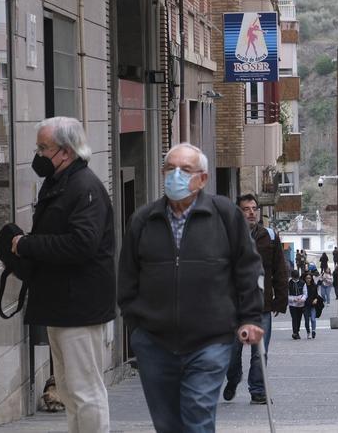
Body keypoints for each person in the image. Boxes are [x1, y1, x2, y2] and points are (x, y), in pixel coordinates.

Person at [118, 143, 263, 432]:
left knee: (197, 418)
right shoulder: (143, 220)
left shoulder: (224, 215)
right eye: (170, 169)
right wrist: (137, 329)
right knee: (168, 424)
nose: (176, 176)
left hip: (210, 341)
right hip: (155, 343)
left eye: (185, 170)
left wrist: (250, 317)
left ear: (204, 178)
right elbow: (127, 277)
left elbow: (247, 267)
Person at [10, 117, 116, 432]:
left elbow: (81, 244)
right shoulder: (62, 183)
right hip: (63, 303)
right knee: (70, 390)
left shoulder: (84, 188)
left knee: (84, 389)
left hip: (78, 305)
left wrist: (28, 245)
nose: (38, 155)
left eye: (44, 148)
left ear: (66, 152)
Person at [223, 193, 287, 405]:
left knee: (260, 352)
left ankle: (258, 390)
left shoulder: (269, 235)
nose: (251, 212)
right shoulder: (227, 235)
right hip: (233, 306)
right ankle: (233, 378)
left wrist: (281, 299)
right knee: (232, 353)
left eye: (254, 208)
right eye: (246, 209)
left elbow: (279, 269)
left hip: (262, 304)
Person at [287, 269, 307, 339]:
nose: (295, 279)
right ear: (292, 277)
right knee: (294, 318)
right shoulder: (289, 283)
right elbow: (287, 295)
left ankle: (297, 331)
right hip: (292, 304)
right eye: (294, 278)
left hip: (300, 304)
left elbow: (305, 293)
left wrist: (302, 299)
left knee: (299, 318)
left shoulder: (303, 283)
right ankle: (295, 332)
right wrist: (293, 299)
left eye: (296, 278)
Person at [303, 271, 321, 337]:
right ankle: (308, 332)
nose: (308, 279)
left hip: (313, 305)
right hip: (305, 305)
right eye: (307, 278)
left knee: (313, 319)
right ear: (305, 278)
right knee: (306, 320)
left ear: (311, 278)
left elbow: (316, 295)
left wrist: (316, 299)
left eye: (309, 278)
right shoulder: (303, 285)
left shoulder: (314, 286)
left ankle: (313, 331)